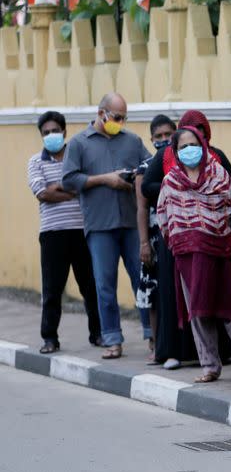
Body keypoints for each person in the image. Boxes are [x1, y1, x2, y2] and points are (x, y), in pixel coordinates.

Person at [141, 110, 231, 369]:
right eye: (184, 146)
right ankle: (204, 363)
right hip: (184, 250)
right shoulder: (170, 177)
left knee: (230, 308)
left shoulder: (217, 170)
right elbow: (158, 206)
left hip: (220, 246)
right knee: (194, 306)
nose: (190, 150)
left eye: (196, 143)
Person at [61, 92, 152, 360]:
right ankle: (112, 338)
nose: (120, 122)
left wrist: (134, 176)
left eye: (124, 118)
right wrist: (104, 179)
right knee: (104, 284)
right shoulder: (78, 143)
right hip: (99, 225)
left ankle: (152, 334)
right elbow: (69, 180)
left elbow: (149, 165)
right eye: (116, 117)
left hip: (131, 222)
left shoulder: (132, 141)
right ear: (101, 113)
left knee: (142, 280)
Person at [27, 110, 101, 354]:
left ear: (65, 131)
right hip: (52, 233)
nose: (51, 136)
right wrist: (71, 191)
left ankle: (98, 334)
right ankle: (49, 338)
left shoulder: (77, 156)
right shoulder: (35, 161)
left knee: (90, 286)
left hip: (82, 230)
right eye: (46, 133)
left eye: (55, 131)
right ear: (41, 135)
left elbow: (86, 185)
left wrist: (59, 188)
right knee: (52, 289)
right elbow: (42, 193)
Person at [135, 114, 176, 363]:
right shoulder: (145, 167)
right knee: (153, 293)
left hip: (177, 234)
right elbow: (140, 208)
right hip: (153, 236)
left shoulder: (182, 161)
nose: (163, 140)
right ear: (151, 139)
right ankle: (154, 343)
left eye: (167, 135)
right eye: (158, 136)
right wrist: (143, 243)